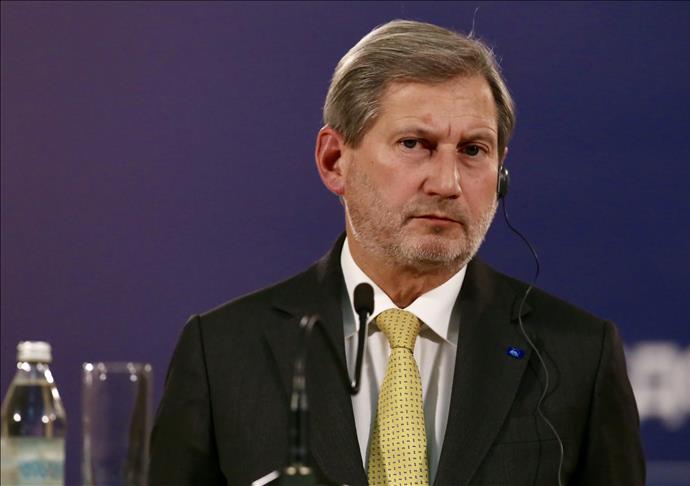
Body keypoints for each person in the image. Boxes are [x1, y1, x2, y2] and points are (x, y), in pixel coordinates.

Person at [149, 19, 645, 486]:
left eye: (473, 150)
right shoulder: (222, 351)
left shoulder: (578, 354)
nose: (447, 183)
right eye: (414, 144)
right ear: (334, 161)